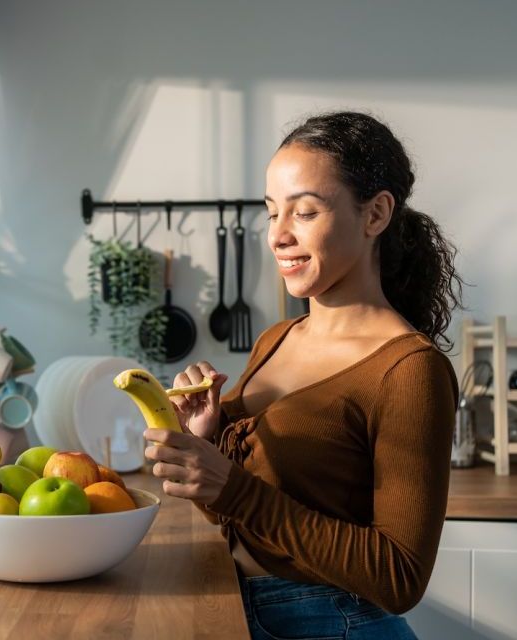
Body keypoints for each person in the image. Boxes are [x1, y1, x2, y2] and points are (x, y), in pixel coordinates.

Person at [142, 111, 464, 640]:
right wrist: (206, 450)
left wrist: (232, 486)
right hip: (242, 608)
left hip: (336, 623)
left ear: (376, 213)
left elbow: (401, 577)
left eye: (305, 212)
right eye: (272, 213)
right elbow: (241, 518)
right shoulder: (277, 339)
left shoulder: (411, 371)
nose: (279, 236)